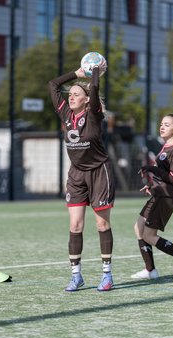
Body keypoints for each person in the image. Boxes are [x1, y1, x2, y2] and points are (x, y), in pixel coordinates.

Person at [48, 65, 115, 292]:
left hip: (99, 172)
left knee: (101, 223)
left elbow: (94, 87)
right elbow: (53, 85)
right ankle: (76, 275)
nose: (72, 96)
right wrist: (76, 74)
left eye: (77, 93)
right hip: (76, 173)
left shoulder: (94, 114)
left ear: (87, 100)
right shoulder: (66, 114)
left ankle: (107, 275)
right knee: (75, 225)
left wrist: (95, 71)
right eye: (71, 94)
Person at [132, 111, 173, 281]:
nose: (162, 127)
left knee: (148, 235)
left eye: (167, 125)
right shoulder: (166, 146)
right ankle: (150, 270)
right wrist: (151, 183)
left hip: (166, 197)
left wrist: (152, 169)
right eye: (161, 124)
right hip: (159, 193)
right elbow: (163, 175)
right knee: (138, 227)